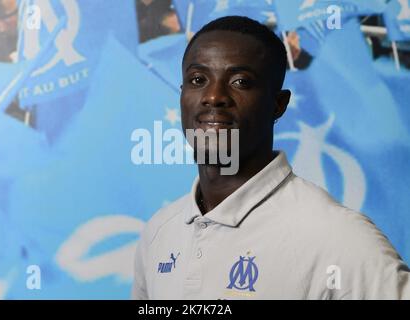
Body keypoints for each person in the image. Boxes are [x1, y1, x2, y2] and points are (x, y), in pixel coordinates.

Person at [131, 16, 410, 300]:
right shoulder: (159, 232)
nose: (214, 97)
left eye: (240, 81)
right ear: (182, 95)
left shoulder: (337, 237)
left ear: (278, 105)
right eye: (198, 80)